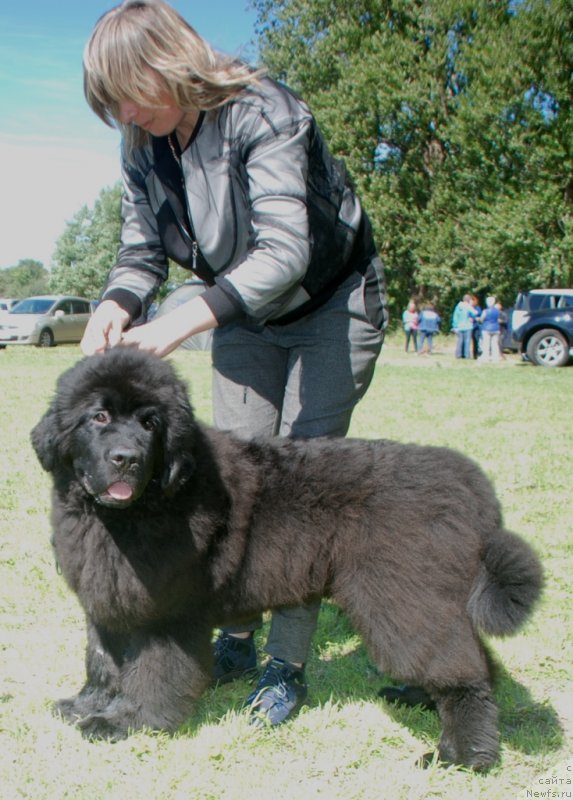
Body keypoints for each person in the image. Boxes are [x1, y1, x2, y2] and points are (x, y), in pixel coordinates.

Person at [81, 0, 388, 727]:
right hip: (244, 312)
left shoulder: (264, 111)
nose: (125, 110)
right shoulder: (141, 139)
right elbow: (141, 249)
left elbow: (285, 251)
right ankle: (239, 637)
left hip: (331, 304)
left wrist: (181, 322)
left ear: (170, 64)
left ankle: (286, 666)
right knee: (233, 482)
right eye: (112, 102)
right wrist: (116, 302)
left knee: (304, 487)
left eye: (132, 90)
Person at [451, 294, 476, 359]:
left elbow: (455, 317)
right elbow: (475, 313)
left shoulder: (458, 306)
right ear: (469, 300)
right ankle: (466, 355)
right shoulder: (468, 306)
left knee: (459, 341)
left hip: (459, 326)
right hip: (467, 326)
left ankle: (458, 355)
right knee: (467, 341)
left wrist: (455, 326)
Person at [479, 296, 501, 362]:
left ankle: (486, 357)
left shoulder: (485, 311)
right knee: (495, 344)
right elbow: (498, 319)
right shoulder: (497, 311)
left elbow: (481, 319)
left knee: (486, 343)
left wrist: (480, 320)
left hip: (486, 328)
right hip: (496, 328)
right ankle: (495, 357)